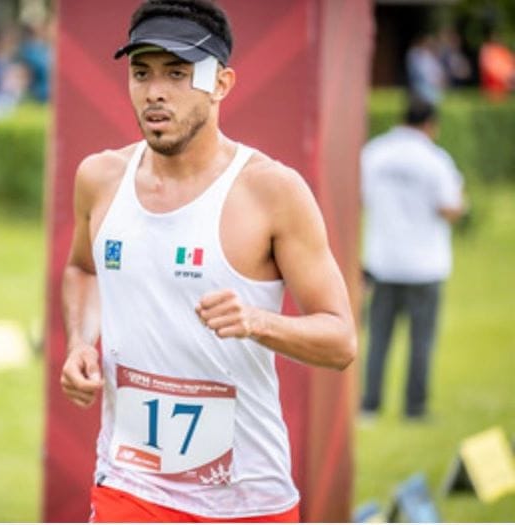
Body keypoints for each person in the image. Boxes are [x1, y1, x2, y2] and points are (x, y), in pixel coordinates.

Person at [58, 0, 356, 522]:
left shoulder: (272, 191)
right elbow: (83, 268)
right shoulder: (100, 177)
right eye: (141, 72)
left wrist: (258, 321)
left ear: (221, 84)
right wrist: (82, 342)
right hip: (127, 486)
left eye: (178, 73)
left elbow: (340, 341)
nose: (155, 91)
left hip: (246, 499)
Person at [359, 101, 466, 422]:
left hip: (383, 261)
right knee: (421, 340)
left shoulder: (374, 153)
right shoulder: (436, 160)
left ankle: (370, 405)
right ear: (430, 124)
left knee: (378, 339)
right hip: (424, 265)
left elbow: (361, 197)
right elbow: (450, 207)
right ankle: (414, 408)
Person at [405, 33, 446, 106]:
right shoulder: (415, 54)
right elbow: (421, 74)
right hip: (421, 89)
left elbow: (438, 73)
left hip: (431, 89)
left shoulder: (431, 56)